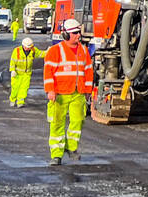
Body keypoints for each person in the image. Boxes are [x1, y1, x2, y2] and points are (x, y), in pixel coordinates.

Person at [43, 18, 94, 166]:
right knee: (57, 124)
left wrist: (88, 90)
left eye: (79, 32)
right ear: (66, 35)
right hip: (59, 94)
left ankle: (71, 148)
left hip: (77, 93)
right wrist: (50, 90)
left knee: (78, 121)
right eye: (75, 33)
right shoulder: (55, 51)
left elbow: (88, 72)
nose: (78, 35)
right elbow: (48, 72)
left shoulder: (84, 50)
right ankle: (56, 155)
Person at [8, 36, 45, 108]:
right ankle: (12, 100)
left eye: (30, 47)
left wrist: (48, 51)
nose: (28, 48)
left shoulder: (33, 50)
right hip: (17, 73)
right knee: (15, 88)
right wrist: (12, 70)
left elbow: (40, 54)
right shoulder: (17, 51)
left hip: (27, 74)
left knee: (24, 88)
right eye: (27, 47)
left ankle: (20, 102)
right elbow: (13, 61)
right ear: (23, 45)